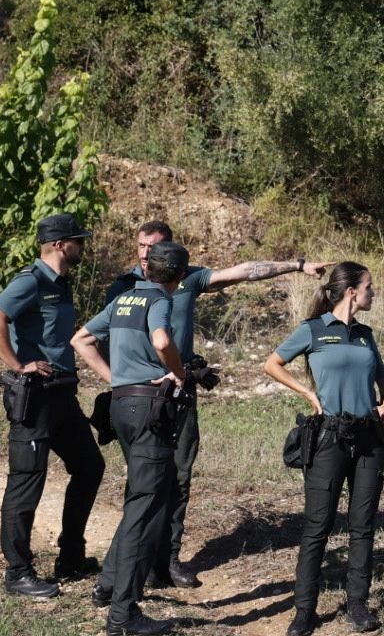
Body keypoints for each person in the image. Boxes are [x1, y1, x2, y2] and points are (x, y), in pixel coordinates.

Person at [105, 219, 326, 589]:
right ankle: (133, 564)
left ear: (169, 251)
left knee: (178, 475)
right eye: (141, 245)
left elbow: (244, 273)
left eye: (154, 247)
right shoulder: (124, 288)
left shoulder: (186, 279)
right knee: (144, 481)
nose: (146, 254)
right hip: (140, 397)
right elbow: (100, 337)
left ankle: (167, 559)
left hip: (179, 393)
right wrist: (119, 378)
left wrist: (299, 265)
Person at [263, 261, 384, 636]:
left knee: (363, 525)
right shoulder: (314, 330)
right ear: (352, 291)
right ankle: (304, 610)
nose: (374, 293)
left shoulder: (365, 334)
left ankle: (357, 605)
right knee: (317, 526)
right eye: (370, 287)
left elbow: (382, 376)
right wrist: (307, 393)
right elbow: (272, 364)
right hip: (328, 438)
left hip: (370, 437)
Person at [0, 213, 105, 599]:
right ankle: (18, 572)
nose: (83, 247)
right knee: (27, 482)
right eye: (78, 241)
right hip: (35, 397)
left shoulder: (61, 283)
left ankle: (70, 557)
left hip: (62, 395)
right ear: (59, 244)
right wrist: (18, 365)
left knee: (89, 467)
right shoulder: (30, 280)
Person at [71, 239, 192, 636]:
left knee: (141, 497)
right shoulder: (161, 300)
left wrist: (116, 380)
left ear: (147, 268)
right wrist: (179, 372)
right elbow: (161, 341)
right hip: (148, 410)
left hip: (121, 406)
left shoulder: (123, 299)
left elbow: (81, 340)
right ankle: (123, 613)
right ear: (179, 275)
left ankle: (109, 584)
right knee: (147, 505)